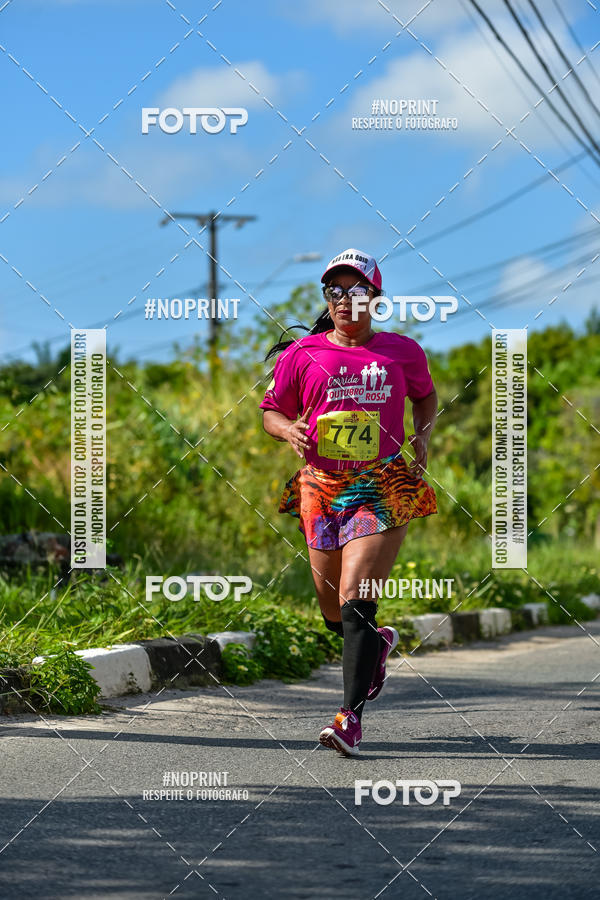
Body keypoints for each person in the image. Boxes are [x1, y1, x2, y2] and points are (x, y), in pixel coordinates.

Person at [260, 248, 438, 756]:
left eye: (356, 291)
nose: (343, 300)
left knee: (356, 594)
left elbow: (424, 397)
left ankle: (348, 718)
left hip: (383, 482)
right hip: (320, 484)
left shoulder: (403, 352)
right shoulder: (303, 354)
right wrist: (287, 429)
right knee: (332, 610)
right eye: (334, 292)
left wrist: (422, 434)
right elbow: (270, 411)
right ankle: (375, 645)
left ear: (374, 299)